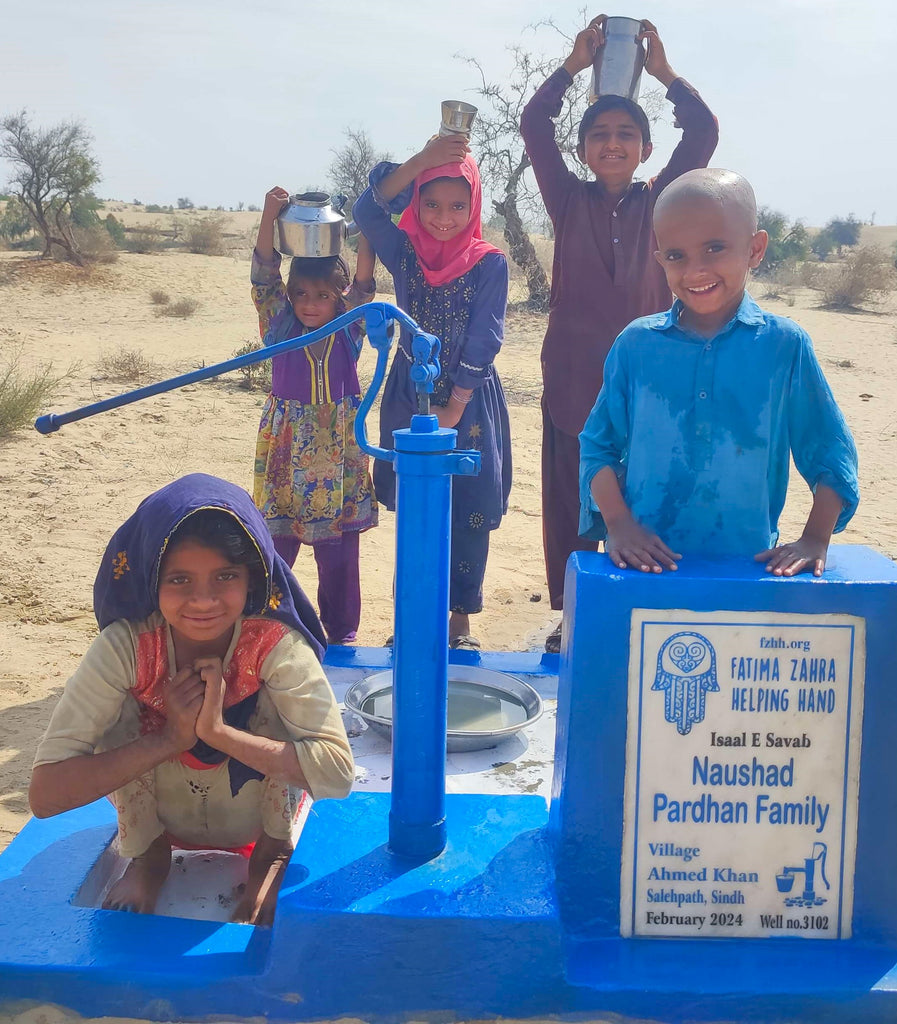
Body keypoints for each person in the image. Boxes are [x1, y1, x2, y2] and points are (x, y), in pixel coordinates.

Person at [29, 474, 354, 925]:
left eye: (225, 576)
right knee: (119, 707)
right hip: (163, 813)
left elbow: (338, 774)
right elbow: (45, 797)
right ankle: (148, 855)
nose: (203, 601)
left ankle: (272, 855)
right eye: (179, 580)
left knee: (282, 709)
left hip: (256, 818)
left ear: (253, 578)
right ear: (151, 582)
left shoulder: (275, 646)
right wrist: (168, 739)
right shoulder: (126, 648)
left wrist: (218, 734)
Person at [520, 15, 719, 650]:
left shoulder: (663, 203)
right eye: (600, 134)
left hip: (650, 382)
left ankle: (639, 605)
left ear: (646, 149)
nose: (612, 143)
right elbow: (533, 126)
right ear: (582, 150)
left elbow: (705, 131)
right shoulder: (567, 200)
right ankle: (573, 611)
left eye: (626, 134)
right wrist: (574, 66)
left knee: (647, 490)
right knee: (575, 495)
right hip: (575, 375)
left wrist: (662, 74)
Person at [579, 168, 859, 577]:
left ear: (755, 249)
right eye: (676, 255)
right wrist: (620, 525)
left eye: (714, 248)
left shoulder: (784, 345)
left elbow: (831, 451)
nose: (695, 271)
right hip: (645, 569)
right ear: (660, 260)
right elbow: (597, 446)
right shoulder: (637, 345)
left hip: (746, 568)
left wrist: (815, 538)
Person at [353, 136, 512, 650]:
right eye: (431, 204)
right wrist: (422, 161)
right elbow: (367, 207)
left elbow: (485, 336)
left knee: (466, 511)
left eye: (458, 206)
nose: (444, 217)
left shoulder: (490, 263)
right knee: (420, 507)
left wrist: (454, 405)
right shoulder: (404, 252)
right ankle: (414, 619)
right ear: (416, 204)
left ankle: (460, 623)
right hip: (409, 394)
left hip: (468, 402)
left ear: (475, 206)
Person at [251, 186, 378, 645]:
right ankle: (269, 625)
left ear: (339, 298)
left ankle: (341, 632)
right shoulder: (280, 326)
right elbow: (264, 276)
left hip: (338, 452)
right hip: (287, 448)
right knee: (276, 545)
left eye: (322, 295)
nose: (309, 303)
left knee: (340, 548)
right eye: (301, 293)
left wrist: (367, 225)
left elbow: (366, 281)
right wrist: (270, 213)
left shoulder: (351, 328)